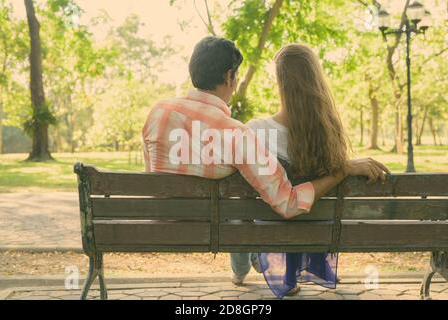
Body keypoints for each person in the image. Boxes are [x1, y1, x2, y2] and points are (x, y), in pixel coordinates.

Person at [141, 36, 389, 293]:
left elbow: (152, 177)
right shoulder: (237, 134)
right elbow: (288, 203)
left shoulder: (158, 113)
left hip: (165, 224)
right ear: (229, 77)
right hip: (220, 230)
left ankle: (247, 263)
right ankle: (258, 260)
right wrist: (343, 169)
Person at [233, 43, 390, 298]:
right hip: (318, 232)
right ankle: (289, 271)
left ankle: (247, 267)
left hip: (269, 231)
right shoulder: (330, 133)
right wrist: (346, 167)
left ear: (280, 83)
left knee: (243, 205)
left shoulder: (256, 131)